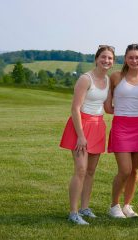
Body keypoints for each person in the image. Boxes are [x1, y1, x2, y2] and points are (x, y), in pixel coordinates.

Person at [59, 45, 115, 225]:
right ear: (96, 59)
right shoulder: (85, 79)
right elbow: (75, 108)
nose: (106, 61)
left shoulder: (107, 80)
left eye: (110, 58)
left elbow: (107, 107)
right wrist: (81, 135)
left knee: (90, 171)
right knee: (81, 170)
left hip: (98, 125)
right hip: (81, 126)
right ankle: (73, 213)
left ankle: (84, 208)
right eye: (103, 57)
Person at [107, 43, 138, 218]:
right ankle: (114, 206)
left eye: (137, 57)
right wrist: (125, 113)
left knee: (135, 170)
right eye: (131, 57)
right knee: (125, 169)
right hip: (121, 126)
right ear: (125, 58)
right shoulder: (116, 77)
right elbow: (108, 108)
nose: (134, 60)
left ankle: (127, 206)